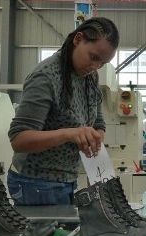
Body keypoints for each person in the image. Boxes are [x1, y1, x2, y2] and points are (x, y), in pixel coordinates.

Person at [7, 17, 119, 205]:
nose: (95, 67)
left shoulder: (89, 78)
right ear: (78, 39)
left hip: (67, 181)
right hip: (35, 182)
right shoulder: (46, 76)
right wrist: (70, 134)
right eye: (93, 57)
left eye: (102, 63)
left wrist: (95, 138)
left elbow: (98, 122)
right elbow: (19, 140)